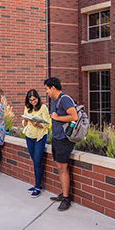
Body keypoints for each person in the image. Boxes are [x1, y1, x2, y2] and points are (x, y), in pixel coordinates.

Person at [44, 77, 78, 211]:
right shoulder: (54, 102)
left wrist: (58, 118)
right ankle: (63, 193)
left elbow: (74, 116)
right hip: (56, 138)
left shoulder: (65, 99)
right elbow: (53, 118)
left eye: (46, 89)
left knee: (63, 168)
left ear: (53, 87)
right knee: (59, 166)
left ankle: (66, 198)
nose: (46, 92)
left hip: (64, 139)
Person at [22, 89, 51, 198]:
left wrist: (37, 125)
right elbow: (25, 122)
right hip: (29, 136)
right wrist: (25, 121)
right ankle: (37, 184)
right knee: (34, 161)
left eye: (34, 100)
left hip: (39, 137)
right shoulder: (27, 108)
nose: (33, 102)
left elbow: (47, 124)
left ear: (38, 98)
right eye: (30, 100)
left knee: (38, 161)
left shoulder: (43, 108)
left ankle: (38, 187)